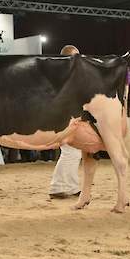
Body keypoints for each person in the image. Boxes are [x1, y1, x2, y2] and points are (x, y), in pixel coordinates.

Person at [49, 45, 82, 199]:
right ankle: (57, 187)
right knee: (70, 151)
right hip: (63, 115)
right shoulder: (63, 74)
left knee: (74, 152)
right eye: (76, 56)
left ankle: (71, 187)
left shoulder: (63, 73)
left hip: (68, 114)